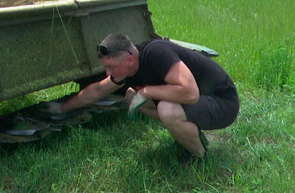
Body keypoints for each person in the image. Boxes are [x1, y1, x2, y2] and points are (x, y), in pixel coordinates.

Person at [46, 33, 239, 158]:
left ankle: (199, 156)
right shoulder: (126, 70)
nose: (108, 73)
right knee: (132, 97)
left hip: (223, 103)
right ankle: (190, 135)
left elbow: (190, 93)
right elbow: (96, 91)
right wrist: (61, 108)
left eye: (111, 67)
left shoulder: (156, 53)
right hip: (201, 102)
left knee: (166, 109)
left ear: (129, 58)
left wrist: (147, 91)